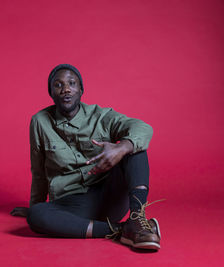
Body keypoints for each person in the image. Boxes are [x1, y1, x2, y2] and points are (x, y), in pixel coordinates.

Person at [11, 64, 162, 250]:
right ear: (51, 93)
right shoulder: (40, 122)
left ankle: (137, 218)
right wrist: (36, 206)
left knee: (134, 146)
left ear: (81, 89)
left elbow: (143, 128)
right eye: (58, 85)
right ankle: (122, 229)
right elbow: (39, 171)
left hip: (110, 196)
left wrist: (122, 147)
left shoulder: (101, 116)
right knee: (35, 216)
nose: (66, 88)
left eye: (72, 83)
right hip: (73, 205)